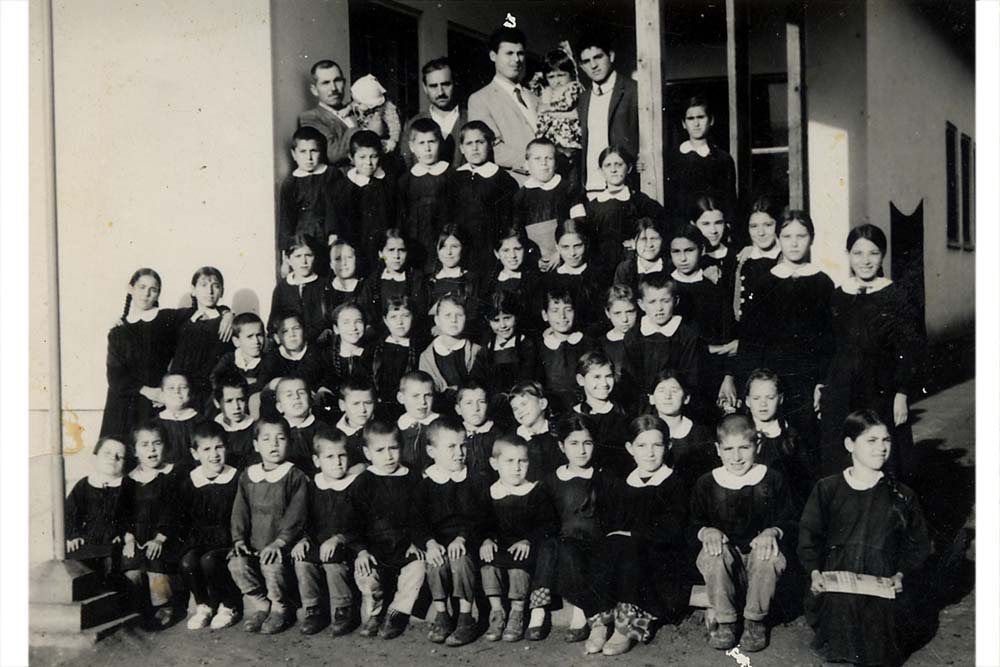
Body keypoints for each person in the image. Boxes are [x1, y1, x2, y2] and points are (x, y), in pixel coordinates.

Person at [798, 410, 930, 667]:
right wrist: (814, 573)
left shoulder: (901, 495)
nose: (881, 447)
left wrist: (901, 575)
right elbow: (808, 536)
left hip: (883, 585)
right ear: (850, 444)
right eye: (871, 440)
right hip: (837, 584)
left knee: (879, 643)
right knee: (841, 627)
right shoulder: (828, 488)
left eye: (886, 440)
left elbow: (917, 544)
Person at [817, 224, 920, 480]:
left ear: (882, 255)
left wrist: (902, 392)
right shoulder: (838, 295)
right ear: (848, 255)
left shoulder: (895, 295)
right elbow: (829, 345)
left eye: (873, 253)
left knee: (883, 455)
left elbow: (908, 348)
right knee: (842, 455)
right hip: (842, 390)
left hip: (880, 391)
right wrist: (823, 384)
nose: (865, 261)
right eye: (858, 253)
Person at [735, 209, 834, 470]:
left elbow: (829, 339)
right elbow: (750, 339)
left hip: (807, 380)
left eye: (801, 236)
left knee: (806, 444)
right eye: (787, 236)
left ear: (811, 239)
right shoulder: (765, 283)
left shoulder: (822, 283)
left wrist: (822, 382)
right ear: (778, 239)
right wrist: (749, 382)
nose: (794, 243)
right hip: (771, 378)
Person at [690, 414, 796, 652]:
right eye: (728, 449)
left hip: (759, 569)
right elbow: (692, 523)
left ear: (757, 446)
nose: (736, 457)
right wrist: (706, 531)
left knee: (768, 554)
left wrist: (772, 531)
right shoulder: (706, 483)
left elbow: (789, 520)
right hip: (726, 567)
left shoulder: (772, 479)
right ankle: (726, 621)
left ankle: (754, 621)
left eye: (744, 448)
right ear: (718, 449)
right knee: (714, 553)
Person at [591, 415, 690, 655]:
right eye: (642, 446)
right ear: (630, 448)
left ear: (668, 446)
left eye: (657, 445)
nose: (650, 453)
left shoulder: (674, 483)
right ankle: (601, 622)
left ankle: (626, 625)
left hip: (659, 561)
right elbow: (613, 524)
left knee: (628, 545)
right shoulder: (625, 484)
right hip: (626, 556)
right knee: (611, 544)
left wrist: (635, 534)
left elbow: (674, 528)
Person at [101, 268, 229, 440]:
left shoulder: (167, 317)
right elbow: (115, 376)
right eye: (141, 287)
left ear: (158, 293)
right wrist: (149, 392)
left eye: (153, 289)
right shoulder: (118, 330)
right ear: (130, 288)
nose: (146, 293)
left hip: (159, 399)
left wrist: (228, 314)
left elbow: (206, 308)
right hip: (125, 401)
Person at [539, 414, 614, 653]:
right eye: (573, 443)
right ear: (562, 446)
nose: (581, 450)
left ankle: (586, 615)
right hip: (565, 545)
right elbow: (547, 521)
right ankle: (593, 615)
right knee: (565, 552)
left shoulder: (603, 477)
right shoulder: (552, 481)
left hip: (596, 543)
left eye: (587, 443)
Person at [228, 417, 309, 635]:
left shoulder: (295, 476)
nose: (274, 444)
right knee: (236, 564)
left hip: (282, 546)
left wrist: (280, 542)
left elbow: (297, 513)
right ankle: (261, 604)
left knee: (271, 565)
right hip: (255, 544)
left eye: (280, 438)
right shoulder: (248, 475)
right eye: (266, 439)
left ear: (289, 443)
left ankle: (280, 607)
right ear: (256, 445)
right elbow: (240, 510)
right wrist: (238, 539)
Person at [415, 416, 491, 647]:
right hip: (438, 542)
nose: (459, 453)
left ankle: (466, 618)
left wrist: (462, 538)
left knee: (460, 560)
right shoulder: (426, 485)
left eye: (462, 446)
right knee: (435, 563)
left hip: (467, 540)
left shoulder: (474, 480)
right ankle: (442, 615)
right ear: (432, 451)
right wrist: (429, 543)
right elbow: (417, 520)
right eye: (451, 447)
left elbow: (480, 516)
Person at [350, 420, 428, 640]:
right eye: (380, 450)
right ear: (367, 453)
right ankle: (375, 612)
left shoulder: (411, 478)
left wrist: (416, 542)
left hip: (404, 546)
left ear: (401, 448)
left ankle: (397, 612)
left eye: (393, 448)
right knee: (366, 574)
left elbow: (420, 515)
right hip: (375, 549)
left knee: (418, 568)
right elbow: (353, 521)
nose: (388, 456)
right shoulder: (364, 482)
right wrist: (361, 551)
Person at [479, 435, 558, 642]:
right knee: (487, 563)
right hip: (500, 546)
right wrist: (487, 539)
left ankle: (517, 612)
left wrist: (528, 540)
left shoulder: (535, 491)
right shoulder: (491, 492)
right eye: (509, 461)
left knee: (518, 566)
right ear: (495, 463)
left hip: (524, 547)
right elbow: (483, 523)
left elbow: (547, 524)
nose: (516, 467)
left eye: (522, 461)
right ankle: (497, 612)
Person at [291, 427, 361, 636]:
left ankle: (343, 609)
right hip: (319, 543)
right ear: (317, 460)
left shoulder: (356, 485)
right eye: (329, 457)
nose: (337, 462)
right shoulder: (314, 486)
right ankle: (313, 609)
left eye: (342, 456)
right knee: (302, 559)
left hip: (349, 543)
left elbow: (362, 523)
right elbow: (306, 518)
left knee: (332, 558)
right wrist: (303, 539)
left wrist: (339, 538)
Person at [177, 421, 242, 631]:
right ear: (195, 453)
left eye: (219, 447)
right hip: (200, 539)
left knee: (210, 561)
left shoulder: (235, 477)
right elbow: (183, 517)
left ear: (226, 447)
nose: (214, 454)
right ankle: (203, 605)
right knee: (188, 562)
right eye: (206, 449)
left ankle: (228, 605)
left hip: (228, 538)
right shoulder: (190, 481)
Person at [669, 224, 738, 417]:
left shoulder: (715, 291)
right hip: (673, 376)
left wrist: (728, 377)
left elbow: (729, 338)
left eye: (689, 250)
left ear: (701, 250)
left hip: (709, 375)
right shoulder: (665, 290)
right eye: (676, 252)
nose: (683, 258)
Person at [120, 422, 182, 627]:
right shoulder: (129, 480)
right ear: (134, 451)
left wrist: (160, 538)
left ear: (166, 446)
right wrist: (129, 537)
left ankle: (164, 605)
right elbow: (123, 513)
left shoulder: (172, 475)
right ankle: (137, 609)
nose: (152, 450)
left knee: (156, 561)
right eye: (145, 445)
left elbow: (175, 511)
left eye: (157, 443)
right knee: (131, 566)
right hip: (137, 536)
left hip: (165, 536)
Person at [468, 26, 538, 183]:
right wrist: (539, 162)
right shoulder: (480, 99)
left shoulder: (535, 98)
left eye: (520, 53)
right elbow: (493, 148)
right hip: (514, 185)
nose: (516, 60)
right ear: (493, 56)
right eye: (509, 53)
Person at [585, 146, 666, 280]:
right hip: (601, 267)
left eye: (618, 164)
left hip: (630, 265)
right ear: (601, 171)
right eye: (608, 165)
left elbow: (661, 224)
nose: (613, 169)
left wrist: (639, 241)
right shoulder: (593, 206)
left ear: (629, 168)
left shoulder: (640, 201)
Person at [448, 121, 520, 270]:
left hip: (490, 248)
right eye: (469, 143)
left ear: (490, 144)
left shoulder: (502, 180)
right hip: (461, 249)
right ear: (461, 148)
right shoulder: (454, 178)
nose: (474, 148)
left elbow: (511, 220)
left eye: (480, 142)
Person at [512, 138, 587, 271]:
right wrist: (533, 258)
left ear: (556, 163)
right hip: (536, 261)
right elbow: (518, 232)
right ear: (527, 164)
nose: (544, 163)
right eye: (537, 159)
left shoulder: (569, 189)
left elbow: (580, 223)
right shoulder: (520, 196)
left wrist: (562, 253)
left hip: (567, 257)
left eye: (549, 158)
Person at [624, 273, 701, 403]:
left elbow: (691, 379)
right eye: (652, 302)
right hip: (641, 405)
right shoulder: (633, 336)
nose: (659, 308)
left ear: (676, 301)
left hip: (675, 403)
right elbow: (629, 380)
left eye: (665, 301)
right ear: (641, 304)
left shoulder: (687, 336)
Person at [576, 35, 639, 192]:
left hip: (626, 187)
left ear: (611, 56)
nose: (593, 65)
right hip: (591, 187)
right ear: (581, 66)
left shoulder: (634, 90)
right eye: (586, 61)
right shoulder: (583, 99)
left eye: (598, 57)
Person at [328, 130, 397, 272]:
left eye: (373, 156)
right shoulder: (342, 187)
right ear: (351, 157)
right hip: (354, 250)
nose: (368, 163)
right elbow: (336, 221)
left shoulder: (388, 184)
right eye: (362, 157)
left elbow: (395, 219)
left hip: (382, 249)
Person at [169, 267, 233, 413]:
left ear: (222, 291)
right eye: (203, 285)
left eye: (215, 286)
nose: (209, 291)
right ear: (193, 290)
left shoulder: (226, 322)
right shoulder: (182, 318)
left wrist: (228, 315)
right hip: (186, 390)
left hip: (215, 390)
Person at [65, 437, 128, 581]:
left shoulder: (128, 487)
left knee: (111, 569)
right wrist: (73, 536)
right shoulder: (84, 485)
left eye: (120, 456)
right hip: (87, 541)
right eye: (107, 453)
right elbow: (70, 512)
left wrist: (123, 533)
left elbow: (133, 514)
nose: (113, 458)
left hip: (115, 542)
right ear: (94, 458)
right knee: (75, 568)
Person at [396, 118, 452, 272]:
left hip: (446, 242)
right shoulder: (405, 181)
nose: (427, 148)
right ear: (412, 146)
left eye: (431, 142)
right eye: (421, 143)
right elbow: (402, 217)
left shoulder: (451, 176)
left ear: (440, 143)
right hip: (416, 242)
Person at [419, 293, 488, 413]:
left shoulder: (476, 351)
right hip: (439, 412)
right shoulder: (426, 357)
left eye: (459, 315)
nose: (453, 320)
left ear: (466, 318)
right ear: (437, 320)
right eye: (447, 315)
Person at [646, 368, 717, 486]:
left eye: (674, 391)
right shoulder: (643, 433)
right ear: (651, 398)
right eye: (661, 390)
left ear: (686, 398)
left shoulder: (701, 435)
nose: (667, 396)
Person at [279, 126, 339, 256]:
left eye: (313, 151)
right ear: (294, 154)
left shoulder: (332, 175)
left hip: (330, 237)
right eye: (303, 152)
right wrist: (285, 256)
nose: (309, 157)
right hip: (303, 240)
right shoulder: (291, 183)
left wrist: (334, 233)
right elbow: (286, 221)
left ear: (321, 152)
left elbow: (336, 208)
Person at [357, 229, 428, 336]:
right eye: (391, 250)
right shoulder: (372, 282)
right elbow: (367, 312)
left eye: (401, 250)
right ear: (381, 254)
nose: (396, 256)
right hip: (378, 336)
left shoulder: (416, 279)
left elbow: (420, 312)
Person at [528, 43, 585, 178]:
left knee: (570, 174)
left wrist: (548, 108)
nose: (557, 81)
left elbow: (567, 103)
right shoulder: (549, 92)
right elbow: (534, 91)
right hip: (553, 142)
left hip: (569, 141)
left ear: (570, 74)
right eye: (551, 77)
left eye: (561, 75)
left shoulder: (573, 87)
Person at [572, 351, 632, 477]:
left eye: (608, 376)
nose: (604, 383)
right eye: (597, 377)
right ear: (581, 380)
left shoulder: (622, 416)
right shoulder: (572, 414)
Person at [537, 287, 594, 414]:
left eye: (568, 310)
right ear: (545, 315)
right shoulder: (540, 348)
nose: (562, 316)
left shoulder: (587, 343)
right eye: (555, 310)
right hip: (553, 410)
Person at [541, 218, 603, 333]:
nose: (572, 253)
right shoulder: (549, 280)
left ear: (586, 244)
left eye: (577, 246)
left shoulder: (598, 275)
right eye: (565, 247)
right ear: (557, 247)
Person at [402, 58, 467, 167]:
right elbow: (406, 166)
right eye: (433, 86)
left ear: (454, 83)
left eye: (446, 84)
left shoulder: (471, 118)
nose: (440, 92)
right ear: (425, 88)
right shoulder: (412, 124)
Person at [298, 60, 358, 169]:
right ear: (314, 90)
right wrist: (363, 131)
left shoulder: (357, 108)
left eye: (337, 80)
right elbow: (333, 154)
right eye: (326, 83)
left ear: (344, 83)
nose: (333, 88)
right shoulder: (310, 118)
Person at [269, 234, 328, 344]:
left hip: (319, 343)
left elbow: (328, 319)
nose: (304, 261)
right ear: (288, 260)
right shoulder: (282, 288)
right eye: (298, 256)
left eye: (308, 255)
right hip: (290, 345)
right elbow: (273, 322)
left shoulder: (324, 285)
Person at [733, 195, 782, 327]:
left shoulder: (785, 259)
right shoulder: (743, 260)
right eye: (754, 226)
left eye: (768, 225)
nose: (761, 233)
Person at [371, 295, 421, 419]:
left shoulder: (420, 348)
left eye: (406, 316)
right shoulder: (373, 348)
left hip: (409, 408)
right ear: (385, 320)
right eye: (393, 317)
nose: (400, 322)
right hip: (378, 408)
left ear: (413, 317)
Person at [427, 225, 480, 335]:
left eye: (454, 246)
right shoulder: (428, 281)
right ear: (437, 249)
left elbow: (474, 316)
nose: (448, 252)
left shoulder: (472, 279)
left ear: (463, 248)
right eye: (443, 246)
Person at [509, 380, 564, 482]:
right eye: (515, 408)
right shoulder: (513, 440)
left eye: (524, 404)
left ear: (542, 404)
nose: (519, 411)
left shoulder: (557, 434)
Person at [274, 376, 327, 474]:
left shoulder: (322, 428)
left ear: (310, 400)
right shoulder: (276, 431)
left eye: (301, 392)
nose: (296, 397)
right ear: (280, 407)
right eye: (289, 395)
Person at [211, 312, 266, 406]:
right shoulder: (230, 358)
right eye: (250, 336)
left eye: (259, 335)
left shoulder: (268, 360)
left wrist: (234, 383)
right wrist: (247, 381)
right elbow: (215, 378)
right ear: (236, 341)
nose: (256, 341)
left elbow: (263, 384)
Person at [350, 74, 401, 165]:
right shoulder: (358, 103)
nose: (355, 105)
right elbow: (353, 105)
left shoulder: (388, 110)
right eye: (354, 101)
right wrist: (347, 109)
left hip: (382, 139)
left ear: (372, 104)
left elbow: (395, 127)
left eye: (359, 103)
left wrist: (393, 141)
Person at [395, 370, 440, 471]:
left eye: (428, 395)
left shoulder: (442, 425)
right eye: (415, 396)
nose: (422, 402)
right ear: (401, 398)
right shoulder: (395, 428)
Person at [152, 373, 200, 468]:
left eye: (183, 387)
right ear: (162, 393)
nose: (177, 391)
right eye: (171, 388)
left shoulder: (201, 422)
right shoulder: (153, 425)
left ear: (190, 392)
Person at [613, 217, 670, 295]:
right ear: (633, 243)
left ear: (662, 241)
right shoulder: (625, 269)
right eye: (643, 239)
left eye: (654, 239)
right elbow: (620, 299)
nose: (649, 245)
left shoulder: (670, 267)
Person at [211, 372, 256, 470]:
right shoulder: (211, 428)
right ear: (217, 403)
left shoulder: (255, 428)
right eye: (229, 401)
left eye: (241, 400)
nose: (236, 407)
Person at [454, 380, 497, 480]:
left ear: (488, 405)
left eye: (481, 402)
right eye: (469, 403)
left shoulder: (498, 435)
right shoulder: (454, 434)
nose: (476, 408)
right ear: (458, 409)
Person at [333, 376, 377, 466]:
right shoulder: (334, 434)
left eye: (368, 403)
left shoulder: (383, 429)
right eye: (356, 404)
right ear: (342, 405)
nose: (363, 409)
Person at [324, 240, 365, 316]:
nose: (344, 263)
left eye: (349, 257)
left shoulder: (366, 288)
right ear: (331, 264)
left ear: (356, 260)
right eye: (338, 259)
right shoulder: (324, 289)